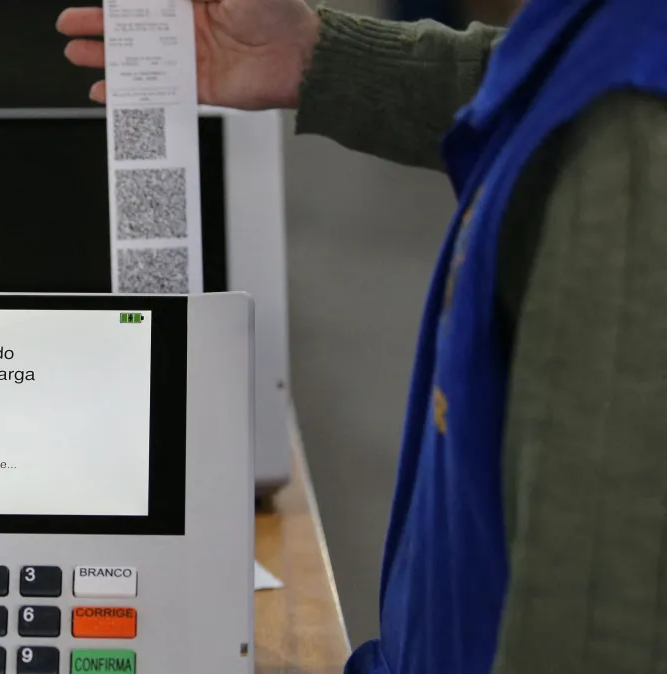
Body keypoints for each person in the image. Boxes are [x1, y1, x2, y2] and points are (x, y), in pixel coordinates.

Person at [60, 1, 667, 674]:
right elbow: (541, 83)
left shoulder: (633, 127)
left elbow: (602, 613)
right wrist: (318, 53)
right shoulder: (603, 42)